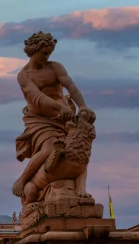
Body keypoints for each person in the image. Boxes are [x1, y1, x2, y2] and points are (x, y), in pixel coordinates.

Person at [13, 32, 95, 202]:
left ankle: (76, 189)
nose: (46, 57)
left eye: (49, 53)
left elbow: (71, 87)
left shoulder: (55, 67)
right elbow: (37, 98)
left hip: (64, 119)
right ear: (32, 51)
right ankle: (21, 181)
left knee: (75, 154)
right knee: (50, 148)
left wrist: (83, 106)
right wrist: (60, 106)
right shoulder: (24, 75)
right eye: (44, 53)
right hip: (39, 120)